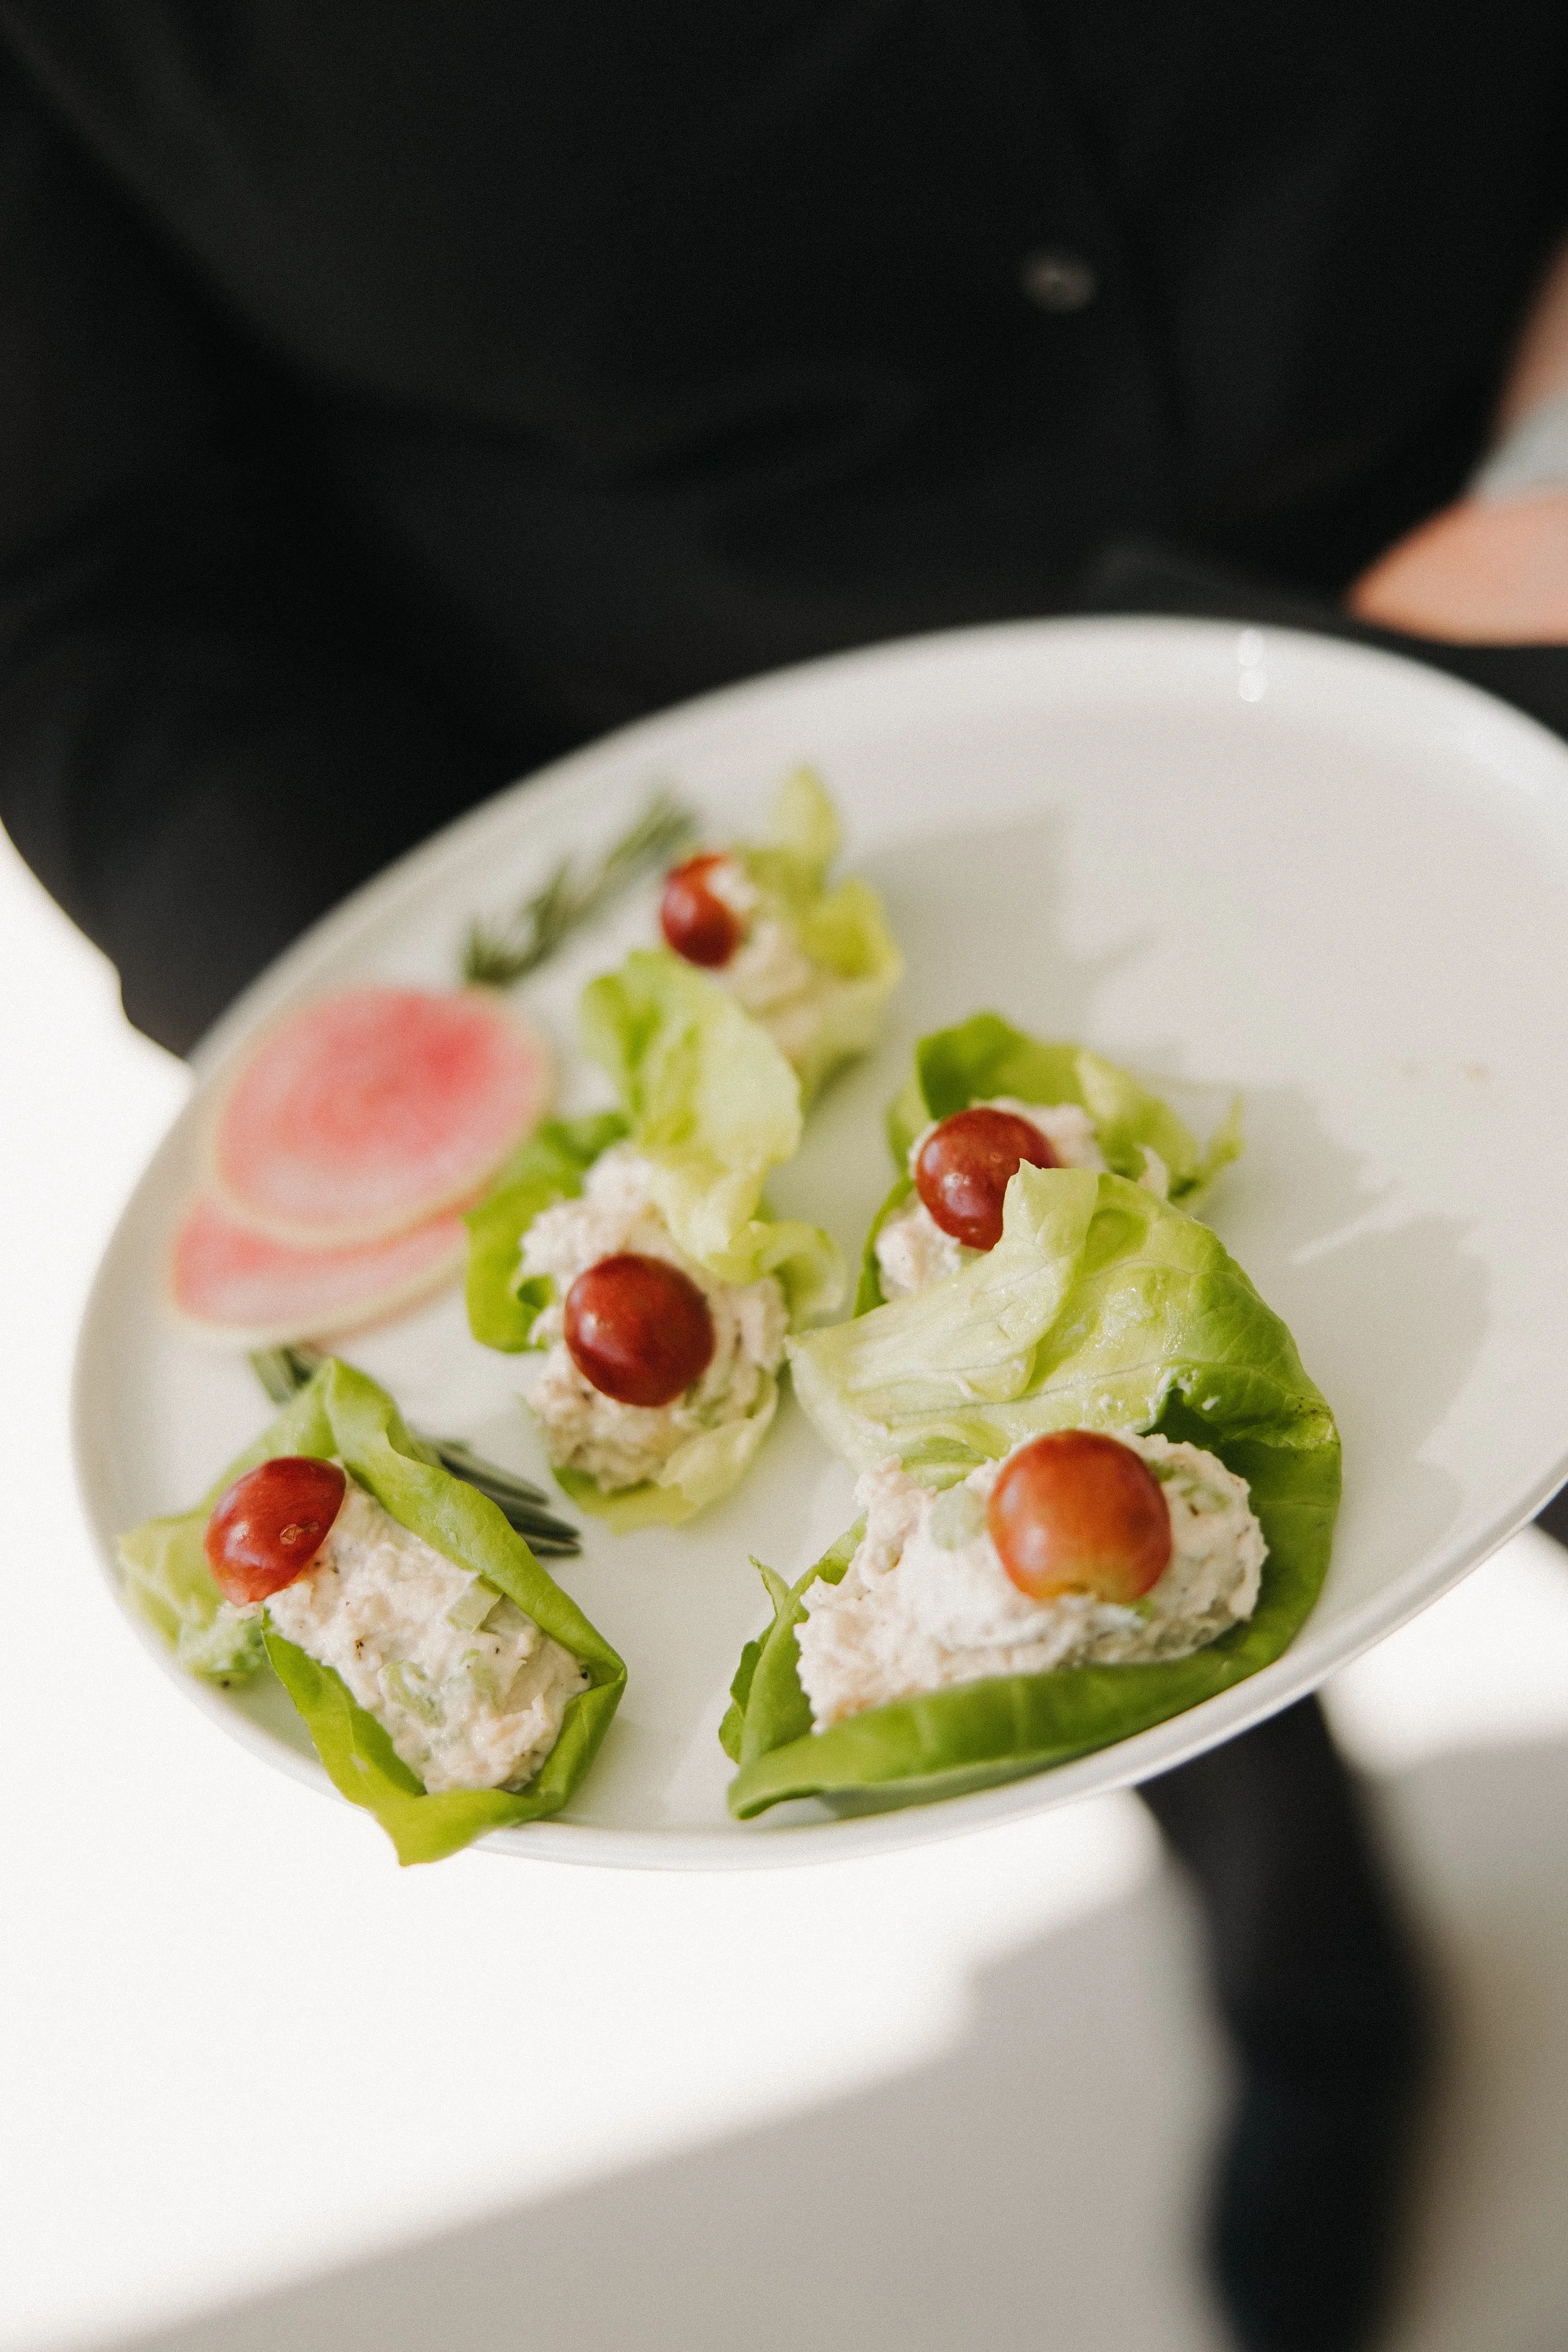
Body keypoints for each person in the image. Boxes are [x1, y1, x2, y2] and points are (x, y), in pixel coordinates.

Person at [3, 13, 1564, 2346]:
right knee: (1020, 1594)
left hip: (1487, 528)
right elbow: (87, 580)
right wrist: (460, 1096)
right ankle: (1296, 1954)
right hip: (760, 880)